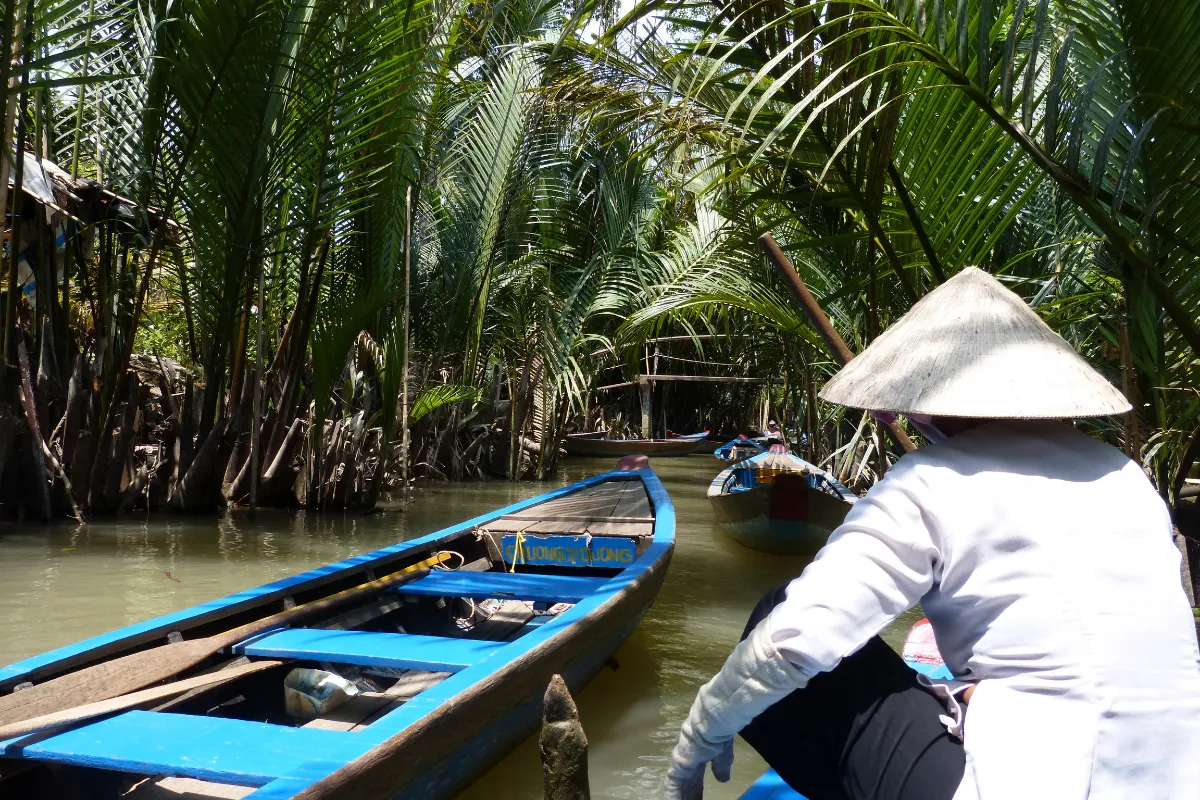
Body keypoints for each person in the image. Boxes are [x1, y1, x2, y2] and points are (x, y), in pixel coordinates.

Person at [666, 268, 1200, 800]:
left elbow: (794, 642)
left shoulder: (932, 481)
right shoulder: (1125, 475)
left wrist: (696, 739)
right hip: (1173, 779)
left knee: (777, 610)